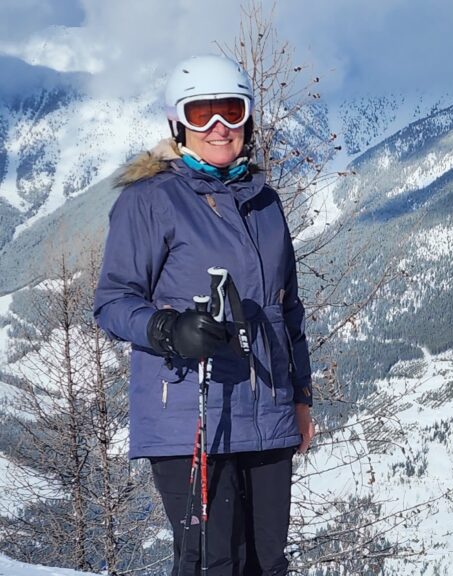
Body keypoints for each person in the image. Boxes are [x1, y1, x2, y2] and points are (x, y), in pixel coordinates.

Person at [93, 54, 315, 576]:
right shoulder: (150, 200)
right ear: (179, 124)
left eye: (231, 112)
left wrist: (301, 397)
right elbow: (112, 301)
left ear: (248, 119)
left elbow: (290, 310)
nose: (219, 127)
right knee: (214, 563)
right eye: (202, 114)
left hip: (269, 418)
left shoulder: (265, 203)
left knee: (267, 563)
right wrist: (168, 330)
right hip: (191, 415)